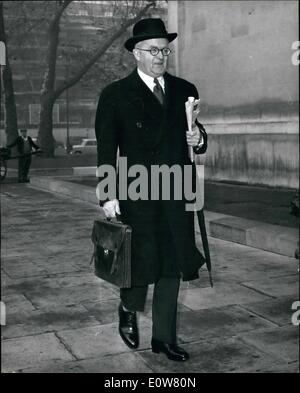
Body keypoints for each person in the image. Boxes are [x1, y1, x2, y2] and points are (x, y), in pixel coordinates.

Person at [95, 18, 208, 362]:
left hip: (175, 190)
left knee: (172, 263)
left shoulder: (185, 89)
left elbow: (197, 134)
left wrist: (199, 137)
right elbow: (105, 149)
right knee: (140, 261)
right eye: (153, 50)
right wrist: (107, 195)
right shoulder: (115, 95)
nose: (161, 56)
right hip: (136, 190)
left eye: (165, 49)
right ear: (136, 55)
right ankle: (128, 309)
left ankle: (164, 338)